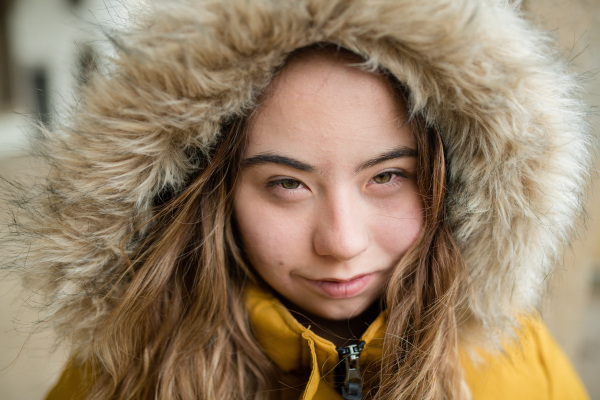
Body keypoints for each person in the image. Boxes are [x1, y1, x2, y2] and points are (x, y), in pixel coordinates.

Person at [7, 0, 591, 399]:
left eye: (387, 176)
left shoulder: (516, 364)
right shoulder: (122, 370)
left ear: (452, 179)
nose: (341, 242)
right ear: (211, 192)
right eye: (287, 183)